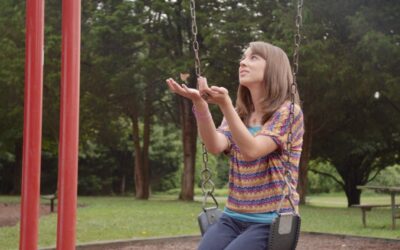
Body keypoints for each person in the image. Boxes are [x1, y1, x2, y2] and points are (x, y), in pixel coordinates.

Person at [165, 41, 304, 250]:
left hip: (270, 220)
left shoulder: (288, 112)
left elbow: (252, 150)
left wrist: (224, 104)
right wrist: (200, 104)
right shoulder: (240, 114)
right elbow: (215, 145)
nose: (243, 62)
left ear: (274, 68)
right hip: (232, 217)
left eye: (253, 58)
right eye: (243, 57)